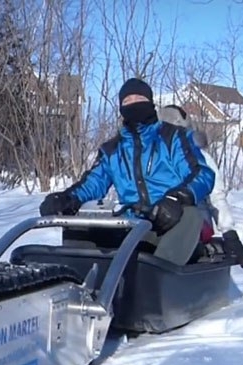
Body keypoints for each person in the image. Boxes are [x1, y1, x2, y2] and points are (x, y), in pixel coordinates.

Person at [38, 77, 215, 266]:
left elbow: (202, 174)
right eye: (127, 101)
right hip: (132, 224)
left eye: (138, 99)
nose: (133, 105)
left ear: (149, 101)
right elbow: (93, 182)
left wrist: (177, 198)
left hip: (168, 220)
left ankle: (157, 280)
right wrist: (67, 198)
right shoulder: (113, 149)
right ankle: (79, 277)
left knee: (189, 216)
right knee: (79, 224)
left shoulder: (174, 138)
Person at [157, 104, 243, 267]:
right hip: (159, 220)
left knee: (184, 223)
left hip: (193, 222)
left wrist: (229, 233)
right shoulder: (151, 158)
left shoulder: (199, 158)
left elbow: (216, 197)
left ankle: (203, 251)